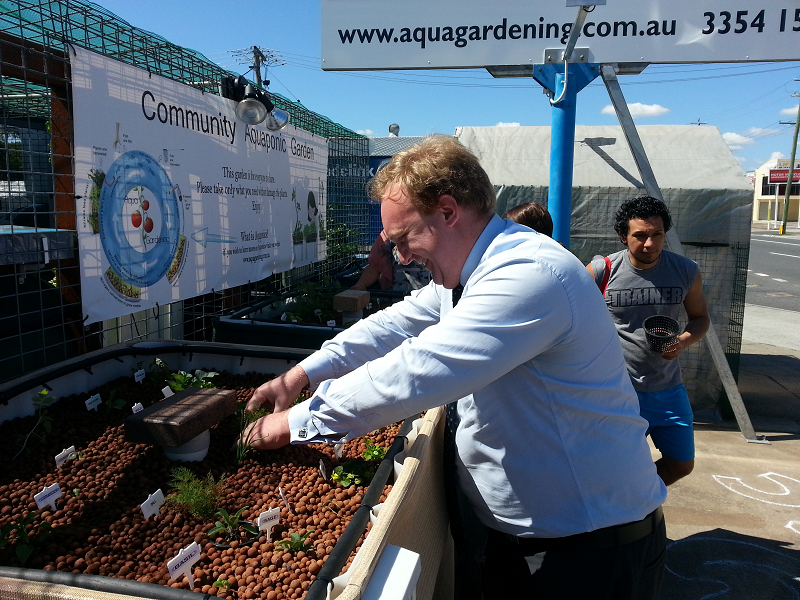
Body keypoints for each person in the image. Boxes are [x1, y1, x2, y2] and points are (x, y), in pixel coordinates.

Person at [247, 136, 667, 599]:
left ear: (448, 211)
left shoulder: (529, 275)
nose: (402, 257)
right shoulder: (469, 272)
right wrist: (300, 375)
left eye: (405, 239)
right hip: (533, 539)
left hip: (584, 552)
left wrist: (292, 423)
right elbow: (393, 325)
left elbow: (417, 370)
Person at [587, 196, 710, 486]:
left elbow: (700, 318)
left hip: (668, 388)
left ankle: (637, 493)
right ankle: (621, 512)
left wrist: (683, 341)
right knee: (611, 464)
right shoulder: (601, 271)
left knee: (681, 465)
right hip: (618, 391)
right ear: (623, 237)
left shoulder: (685, 271)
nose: (650, 244)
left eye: (657, 235)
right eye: (640, 236)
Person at [350, 229, 430, 292]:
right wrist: (361, 284)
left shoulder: (431, 230)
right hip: (396, 298)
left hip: (429, 300)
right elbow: (376, 266)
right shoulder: (388, 235)